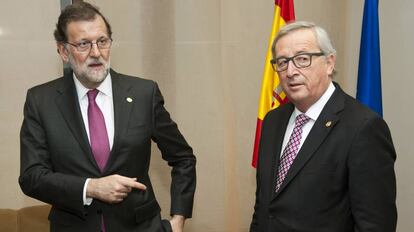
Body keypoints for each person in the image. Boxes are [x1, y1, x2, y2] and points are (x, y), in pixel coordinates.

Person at [19, 2, 196, 232]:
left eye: (102, 41)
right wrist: (90, 187)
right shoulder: (41, 101)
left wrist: (178, 220)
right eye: (83, 44)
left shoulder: (143, 94)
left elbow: (183, 158)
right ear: (64, 51)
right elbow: (32, 177)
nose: (96, 52)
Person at [250, 21, 397, 232]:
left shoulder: (363, 127)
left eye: (302, 59)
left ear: (329, 63)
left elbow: (375, 225)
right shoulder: (273, 121)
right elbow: (264, 208)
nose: (290, 71)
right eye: (282, 62)